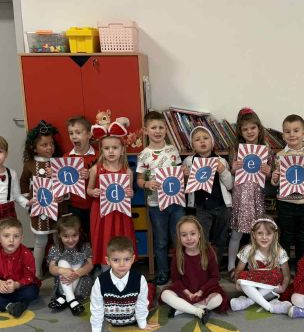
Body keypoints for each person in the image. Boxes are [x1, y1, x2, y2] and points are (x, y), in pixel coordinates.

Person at [80, 236, 158, 332]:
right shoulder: (100, 282)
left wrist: (142, 324)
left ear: (132, 259)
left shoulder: (140, 279)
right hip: (112, 319)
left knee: (148, 296)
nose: (122, 264)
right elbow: (97, 307)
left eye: (126, 259)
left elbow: (142, 304)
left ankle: (152, 286)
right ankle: (151, 286)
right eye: (116, 260)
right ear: (108, 261)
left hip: (134, 317)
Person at [136, 110, 183, 286]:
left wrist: (184, 173)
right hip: (156, 204)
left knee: (179, 238)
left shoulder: (173, 150)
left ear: (166, 130)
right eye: (153, 127)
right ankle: (163, 271)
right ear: (146, 131)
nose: (157, 131)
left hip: (176, 202)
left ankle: (180, 271)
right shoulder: (144, 155)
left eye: (161, 127)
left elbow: (180, 174)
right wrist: (147, 184)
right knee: (161, 240)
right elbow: (139, 180)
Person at [227, 108, 274, 278]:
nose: (249, 132)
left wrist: (268, 172)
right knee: (236, 233)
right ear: (240, 131)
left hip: (257, 196)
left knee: (258, 232)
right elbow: (231, 174)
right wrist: (233, 168)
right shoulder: (236, 149)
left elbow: (271, 177)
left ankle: (256, 265)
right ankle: (231, 266)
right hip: (240, 195)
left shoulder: (266, 149)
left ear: (259, 129)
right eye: (245, 129)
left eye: (253, 128)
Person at [270, 114, 304, 264]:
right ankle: (284, 267)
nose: (292, 134)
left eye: (296, 130)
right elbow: (276, 183)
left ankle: (301, 267)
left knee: (303, 237)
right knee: (285, 237)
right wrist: (274, 178)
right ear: (283, 135)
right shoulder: (279, 156)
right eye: (287, 131)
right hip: (285, 203)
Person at [160, 216, 229, 322]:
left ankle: (182, 309)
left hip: (205, 291)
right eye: (184, 235)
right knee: (165, 295)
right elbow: (176, 279)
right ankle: (198, 311)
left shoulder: (208, 252)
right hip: (185, 292)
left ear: (199, 234)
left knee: (218, 299)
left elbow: (214, 277)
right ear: (179, 237)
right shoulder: (178, 254)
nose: (189, 238)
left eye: (192, 233)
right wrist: (187, 293)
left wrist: (201, 291)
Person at [20, 121, 65, 277]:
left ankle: (58, 269)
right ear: (34, 147)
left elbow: (66, 183)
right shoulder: (30, 164)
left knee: (59, 239)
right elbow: (23, 181)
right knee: (41, 241)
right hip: (39, 211)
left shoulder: (59, 162)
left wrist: (61, 189)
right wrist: (28, 201)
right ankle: (36, 272)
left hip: (58, 209)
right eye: (44, 145)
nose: (49, 148)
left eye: (51, 144)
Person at [183, 124, 233, 259]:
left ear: (212, 143)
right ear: (193, 146)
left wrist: (223, 171)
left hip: (222, 206)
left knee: (220, 238)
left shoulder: (221, 160)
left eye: (205, 138)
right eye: (197, 139)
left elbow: (230, 185)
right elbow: (185, 187)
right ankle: (203, 264)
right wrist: (185, 176)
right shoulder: (189, 161)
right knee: (201, 238)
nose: (202, 141)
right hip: (201, 208)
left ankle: (216, 264)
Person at [88, 131, 136, 269]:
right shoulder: (96, 169)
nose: (111, 151)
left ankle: (123, 268)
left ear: (122, 150)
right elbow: (88, 190)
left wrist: (130, 193)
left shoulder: (127, 172)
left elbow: (130, 193)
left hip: (121, 214)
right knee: (104, 238)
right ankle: (105, 270)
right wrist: (93, 192)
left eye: (115, 148)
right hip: (101, 213)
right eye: (106, 148)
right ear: (102, 150)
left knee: (122, 238)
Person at [230, 217, 292, 314]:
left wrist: (283, 288)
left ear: (274, 235)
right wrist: (239, 282)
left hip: (270, 290)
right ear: (253, 234)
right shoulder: (248, 249)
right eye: (260, 233)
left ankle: (247, 302)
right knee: (242, 276)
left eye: (268, 233)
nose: (264, 237)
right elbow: (238, 271)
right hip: (252, 288)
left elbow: (286, 275)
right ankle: (270, 307)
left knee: (277, 275)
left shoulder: (280, 252)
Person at [47, 215, 93, 316]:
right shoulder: (56, 248)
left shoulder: (85, 246)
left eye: (74, 235)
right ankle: (72, 300)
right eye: (66, 236)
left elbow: (90, 265)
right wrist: (62, 270)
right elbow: (51, 268)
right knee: (62, 262)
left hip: (81, 283)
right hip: (63, 282)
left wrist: (77, 273)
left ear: (79, 233)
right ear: (59, 235)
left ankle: (65, 297)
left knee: (79, 262)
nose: (71, 240)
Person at [65, 116, 95, 239]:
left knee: (93, 235)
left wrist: (91, 175)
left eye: (78, 132)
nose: (74, 136)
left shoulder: (98, 156)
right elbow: (63, 185)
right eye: (71, 133)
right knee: (76, 236)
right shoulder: (66, 157)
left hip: (94, 205)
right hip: (74, 206)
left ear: (89, 134)